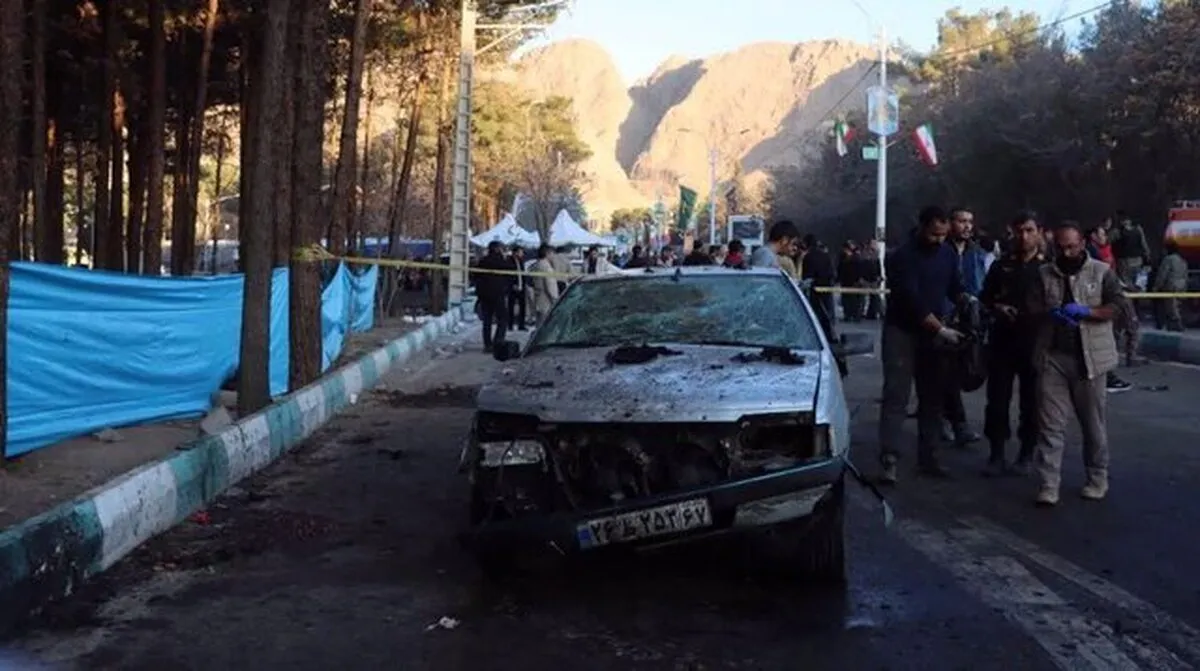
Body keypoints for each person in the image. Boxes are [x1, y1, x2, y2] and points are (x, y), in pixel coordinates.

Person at [1030, 222, 1123, 506]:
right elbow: (1031, 306)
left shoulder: (1101, 272)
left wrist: (1089, 312)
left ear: (1082, 243)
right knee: (1050, 424)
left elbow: (1117, 306)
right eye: (1061, 248)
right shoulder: (1044, 274)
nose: (1067, 253)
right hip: (1054, 356)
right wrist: (1049, 313)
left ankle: (1097, 477)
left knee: (1093, 424)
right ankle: (1048, 484)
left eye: (1071, 247)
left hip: (1090, 358)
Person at [878, 206, 974, 483]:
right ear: (921, 227)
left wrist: (967, 300)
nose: (939, 240)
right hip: (902, 330)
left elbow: (953, 286)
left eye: (943, 235)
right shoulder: (902, 256)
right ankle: (889, 458)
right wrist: (940, 329)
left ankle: (929, 457)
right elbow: (911, 300)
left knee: (932, 397)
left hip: (933, 334)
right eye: (934, 234)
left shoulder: (947, 254)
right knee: (896, 395)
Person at [979, 212, 1045, 476]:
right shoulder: (1001, 265)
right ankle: (996, 453)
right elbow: (984, 298)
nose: (1024, 236)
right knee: (997, 400)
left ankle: (1026, 452)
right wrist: (997, 307)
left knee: (1032, 402)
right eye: (1020, 231)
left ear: (1039, 232)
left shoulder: (1047, 268)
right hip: (1003, 341)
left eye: (1029, 230)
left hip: (1035, 342)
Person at [475, 241, 512, 351]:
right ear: (497, 249)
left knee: (487, 320)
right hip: (498, 294)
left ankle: (487, 344)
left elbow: (476, 276)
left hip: (485, 295)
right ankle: (498, 341)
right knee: (503, 319)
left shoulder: (483, 261)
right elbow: (510, 272)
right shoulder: (501, 261)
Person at [1153, 239, 1187, 332]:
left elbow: (1162, 274)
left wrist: (1156, 286)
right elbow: (1185, 274)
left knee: (1171, 307)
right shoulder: (1182, 260)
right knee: (1177, 306)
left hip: (1171, 286)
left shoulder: (1168, 260)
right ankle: (1173, 325)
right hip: (1181, 285)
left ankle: (1176, 324)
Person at [801, 233, 836, 323]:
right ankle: (830, 322)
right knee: (827, 307)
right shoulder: (825, 255)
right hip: (827, 285)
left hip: (814, 286)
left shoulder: (808, 257)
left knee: (815, 309)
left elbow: (806, 274)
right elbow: (831, 271)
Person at [1110, 211, 1150, 286]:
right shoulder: (1138, 229)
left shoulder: (1117, 231)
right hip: (1138, 261)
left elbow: (1107, 241)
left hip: (1125, 262)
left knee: (1126, 285)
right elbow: (1144, 245)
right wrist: (1147, 259)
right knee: (1139, 284)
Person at [530, 244, 559, 325]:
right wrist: (555, 299)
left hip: (538, 299)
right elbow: (550, 286)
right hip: (547, 301)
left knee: (539, 324)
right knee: (546, 325)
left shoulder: (536, 265)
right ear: (547, 253)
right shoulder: (547, 267)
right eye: (552, 253)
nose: (553, 256)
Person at [838, 241, 863, 321]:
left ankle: (852, 315)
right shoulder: (853, 257)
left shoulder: (853, 258)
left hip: (851, 281)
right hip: (849, 281)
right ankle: (852, 315)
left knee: (851, 299)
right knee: (851, 299)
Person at [861, 239, 884, 320]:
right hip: (866, 279)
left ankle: (874, 313)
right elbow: (864, 267)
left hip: (874, 279)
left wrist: (879, 276)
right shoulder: (865, 254)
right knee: (865, 297)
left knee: (875, 297)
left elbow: (878, 267)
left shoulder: (876, 255)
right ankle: (863, 312)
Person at [508, 245, 529, 331]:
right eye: (520, 252)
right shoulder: (509, 261)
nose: (522, 254)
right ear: (515, 252)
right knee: (511, 306)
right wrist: (512, 284)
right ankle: (510, 325)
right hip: (513, 288)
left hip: (521, 287)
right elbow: (508, 275)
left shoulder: (521, 261)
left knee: (522, 306)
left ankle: (521, 325)